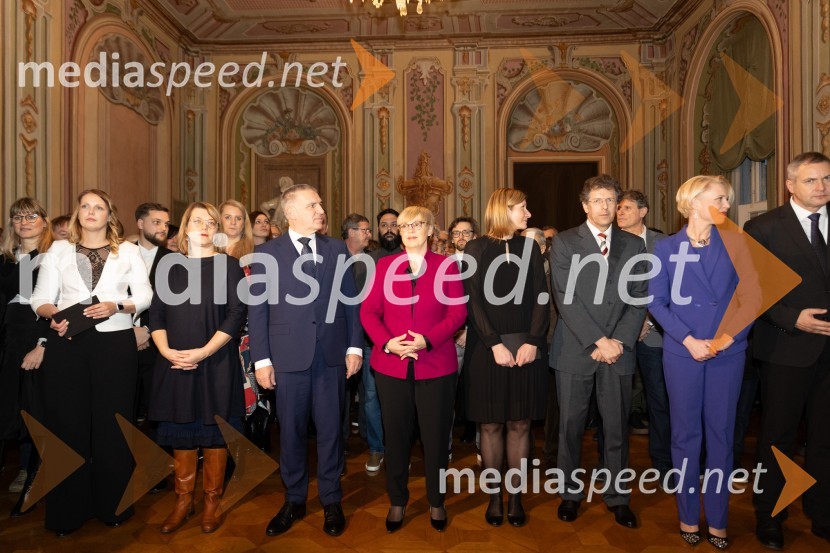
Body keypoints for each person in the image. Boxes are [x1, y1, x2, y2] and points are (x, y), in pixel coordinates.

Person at [30, 189, 153, 536]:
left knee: (112, 426)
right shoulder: (58, 249)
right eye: (84, 206)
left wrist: (118, 306)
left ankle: (112, 506)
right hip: (67, 344)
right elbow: (40, 298)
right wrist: (52, 315)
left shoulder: (127, 251)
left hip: (114, 344)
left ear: (109, 215)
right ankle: (68, 512)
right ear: (77, 213)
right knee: (67, 427)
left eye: (98, 207)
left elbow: (144, 296)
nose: (90, 211)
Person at [249, 184, 362, 538]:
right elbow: (258, 310)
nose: (321, 209)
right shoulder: (267, 253)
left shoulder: (337, 249)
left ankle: (331, 499)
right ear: (291, 211)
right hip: (287, 356)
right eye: (313, 204)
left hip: (330, 356)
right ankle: (294, 499)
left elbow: (351, 303)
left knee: (331, 432)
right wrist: (262, 359)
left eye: (321, 202)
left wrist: (355, 347)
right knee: (292, 432)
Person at [650, 175, 757, 549]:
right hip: (683, 354)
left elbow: (753, 297)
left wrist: (728, 338)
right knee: (685, 438)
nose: (727, 205)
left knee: (721, 438)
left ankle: (719, 518)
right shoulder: (664, 248)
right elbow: (656, 302)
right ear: (694, 202)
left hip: (728, 354)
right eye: (719, 198)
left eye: (727, 199)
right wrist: (689, 340)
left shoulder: (738, 244)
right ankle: (686, 514)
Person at [361, 206, 466, 533]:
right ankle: (397, 499)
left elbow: (457, 313)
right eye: (404, 225)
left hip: (436, 364)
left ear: (431, 229)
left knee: (435, 439)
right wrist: (388, 343)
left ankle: (436, 500)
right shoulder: (384, 265)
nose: (409, 229)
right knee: (396, 438)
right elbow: (368, 313)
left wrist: (427, 341)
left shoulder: (446, 266)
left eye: (417, 224)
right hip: (391, 365)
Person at [744, 152, 830, 549]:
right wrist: (791, 317)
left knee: (825, 436)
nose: (822, 187)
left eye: (827, 179)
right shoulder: (762, 227)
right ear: (791, 184)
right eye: (812, 180)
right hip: (786, 347)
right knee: (777, 437)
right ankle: (770, 515)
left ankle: (822, 510)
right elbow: (750, 290)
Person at [550, 175, 647, 529]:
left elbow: (638, 299)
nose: (606, 207)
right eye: (599, 200)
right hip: (577, 349)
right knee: (571, 427)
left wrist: (618, 341)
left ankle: (618, 497)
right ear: (585, 205)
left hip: (619, 351)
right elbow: (565, 297)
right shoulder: (563, 243)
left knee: (617, 428)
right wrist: (597, 341)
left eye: (612, 201)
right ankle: (570, 495)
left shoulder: (634, 245)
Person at [147, 201, 246, 534]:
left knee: (215, 435)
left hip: (215, 361)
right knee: (182, 432)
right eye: (198, 221)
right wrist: (166, 351)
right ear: (186, 227)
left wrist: (203, 352)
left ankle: (211, 502)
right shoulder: (168, 266)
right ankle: (182, 501)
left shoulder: (229, 266)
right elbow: (156, 314)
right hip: (173, 362)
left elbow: (236, 314)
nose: (204, 226)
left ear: (216, 230)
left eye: (211, 222)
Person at [464, 188, 549, 528]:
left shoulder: (529, 248)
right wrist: (493, 343)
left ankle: (514, 495)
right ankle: (493, 496)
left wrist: (533, 341)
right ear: (504, 210)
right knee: (490, 423)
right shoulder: (477, 247)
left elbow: (542, 298)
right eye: (523, 208)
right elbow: (472, 301)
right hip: (487, 350)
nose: (528, 214)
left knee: (520, 423)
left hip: (526, 348)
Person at [0, 198, 52, 517]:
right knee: (8, 409)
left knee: (34, 412)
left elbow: (61, 304)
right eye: (17, 217)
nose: (24, 221)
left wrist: (44, 344)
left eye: (31, 215)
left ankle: (35, 479)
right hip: (8, 338)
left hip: (37, 338)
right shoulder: (6, 259)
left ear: (44, 221)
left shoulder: (53, 257)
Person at [616, 191, 672, 480]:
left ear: (644, 211)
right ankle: (611, 465)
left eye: (626, 207)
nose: (619, 212)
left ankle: (663, 463)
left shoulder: (662, 244)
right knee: (613, 403)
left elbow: (669, 288)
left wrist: (648, 321)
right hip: (617, 335)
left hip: (654, 334)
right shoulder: (609, 242)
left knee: (660, 400)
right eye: (618, 208)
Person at [360, 208, 403, 473]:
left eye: (394, 224)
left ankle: (399, 450)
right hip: (372, 342)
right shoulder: (368, 261)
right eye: (384, 224)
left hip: (405, 343)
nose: (389, 229)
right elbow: (360, 306)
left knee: (401, 400)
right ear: (378, 229)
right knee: (371, 398)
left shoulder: (411, 259)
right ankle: (377, 449)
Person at [340, 213, 377, 471]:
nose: (368, 234)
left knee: (370, 394)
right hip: (337, 340)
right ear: (350, 232)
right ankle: (338, 450)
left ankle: (374, 444)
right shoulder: (332, 257)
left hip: (367, 337)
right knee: (338, 398)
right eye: (364, 230)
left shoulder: (373, 260)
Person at [521, 227, 560, 471]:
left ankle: (553, 453)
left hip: (554, 343)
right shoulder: (510, 273)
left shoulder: (558, 273)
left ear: (544, 248)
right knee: (525, 401)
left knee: (554, 403)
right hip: (525, 345)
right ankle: (526, 453)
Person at [133, 203, 172, 424]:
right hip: (120, 338)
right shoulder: (119, 255)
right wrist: (131, 330)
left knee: (157, 407)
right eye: (156, 222)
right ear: (140, 223)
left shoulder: (175, 260)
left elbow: (173, 306)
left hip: (157, 343)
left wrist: (147, 330)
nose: (163, 228)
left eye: (165, 224)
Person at [448, 217, 479, 450]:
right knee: (446, 398)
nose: (461, 237)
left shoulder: (487, 264)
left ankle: (483, 445)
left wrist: (471, 330)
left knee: (481, 394)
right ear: (451, 238)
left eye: (466, 233)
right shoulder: (441, 265)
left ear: (475, 236)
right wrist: (457, 331)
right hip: (450, 340)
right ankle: (444, 447)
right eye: (457, 233)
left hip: (479, 338)